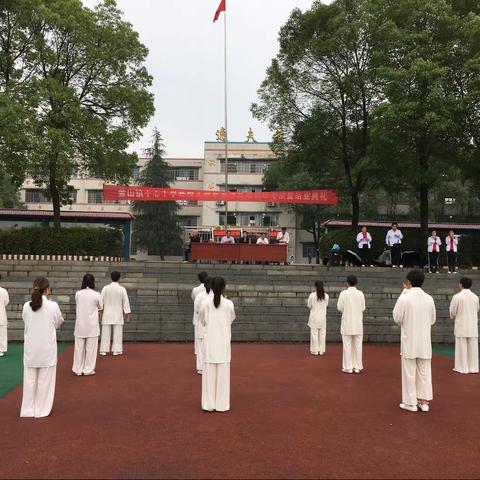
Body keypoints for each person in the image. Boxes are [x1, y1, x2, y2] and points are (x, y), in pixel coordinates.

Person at [20, 277, 64, 418]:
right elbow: (58, 322)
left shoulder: (26, 306)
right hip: (46, 349)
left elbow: (26, 322)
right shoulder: (53, 306)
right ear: (47, 290)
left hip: (31, 349)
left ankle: (27, 410)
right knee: (45, 381)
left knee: (29, 381)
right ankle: (41, 410)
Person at [393, 269, 436, 412]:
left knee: (409, 372)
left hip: (409, 340)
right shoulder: (429, 298)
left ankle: (410, 403)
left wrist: (403, 292)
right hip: (424, 341)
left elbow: (397, 318)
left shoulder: (405, 298)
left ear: (408, 282)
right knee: (424, 371)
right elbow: (432, 320)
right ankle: (424, 402)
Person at [201, 277, 235, 412]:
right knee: (223, 376)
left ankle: (208, 404)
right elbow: (231, 319)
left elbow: (202, 321)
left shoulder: (205, 304)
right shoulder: (229, 304)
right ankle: (222, 405)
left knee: (209, 375)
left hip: (210, 344)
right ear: (223, 288)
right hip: (223, 343)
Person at [72, 274, 101, 376]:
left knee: (79, 349)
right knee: (91, 350)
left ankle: (78, 369)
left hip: (80, 325)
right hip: (92, 326)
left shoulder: (78, 294)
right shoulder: (97, 294)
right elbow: (101, 306)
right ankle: (88, 369)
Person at [449, 277, 479, 374]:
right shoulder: (475, 297)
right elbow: (477, 309)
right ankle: (473, 368)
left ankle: (462, 368)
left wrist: (453, 316)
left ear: (461, 284)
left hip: (461, 324)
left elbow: (452, 311)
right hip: (472, 325)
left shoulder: (457, 297)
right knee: (473, 348)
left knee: (461, 347)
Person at [337, 275, 365, 374]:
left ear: (347, 283)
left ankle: (348, 367)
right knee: (358, 346)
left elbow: (339, 307)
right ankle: (357, 367)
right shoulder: (360, 294)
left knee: (347, 346)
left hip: (347, 323)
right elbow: (363, 308)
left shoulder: (343, 293)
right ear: (356, 282)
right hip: (357, 324)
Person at [99, 271, 131, 356]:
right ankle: (116, 350)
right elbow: (126, 302)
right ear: (119, 278)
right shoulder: (122, 289)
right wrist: (126, 313)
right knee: (118, 333)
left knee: (105, 333)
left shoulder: (105, 288)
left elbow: (100, 301)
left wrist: (100, 311)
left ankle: (103, 350)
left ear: (111, 277)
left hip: (107, 313)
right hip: (118, 313)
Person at [193, 277, 213, 374]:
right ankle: (208, 366)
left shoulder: (200, 296)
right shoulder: (216, 296)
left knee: (201, 348)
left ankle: (201, 367)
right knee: (209, 347)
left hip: (201, 324)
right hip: (212, 325)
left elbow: (196, 309)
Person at [307, 281, 329, 355]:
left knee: (314, 334)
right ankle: (321, 350)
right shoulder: (326, 296)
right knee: (322, 334)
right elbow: (326, 305)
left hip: (314, 317)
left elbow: (309, 305)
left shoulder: (312, 295)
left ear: (315, 287)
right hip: (322, 317)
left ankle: (315, 350)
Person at [0, 275, 9, 357]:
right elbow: (6, 302)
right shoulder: (4, 291)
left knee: (2, 333)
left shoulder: (3, 291)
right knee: (2, 334)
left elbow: (6, 302)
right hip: (1, 315)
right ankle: (1, 350)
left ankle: (1, 350)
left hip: (1, 315)